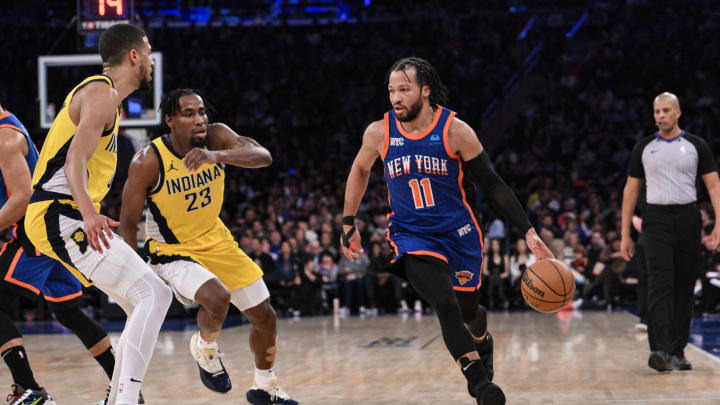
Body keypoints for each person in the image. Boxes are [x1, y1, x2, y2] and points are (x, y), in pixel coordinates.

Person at [340, 57, 553, 405]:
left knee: (469, 311)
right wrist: (348, 222)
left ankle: (482, 340)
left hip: (459, 234)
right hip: (410, 234)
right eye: (391, 90)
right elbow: (360, 169)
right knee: (445, 303)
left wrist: (527, 230)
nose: (396, 97)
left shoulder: (456, 130)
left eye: (404, 90)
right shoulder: (379, 132)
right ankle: (479, 384)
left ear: (425, 91)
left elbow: (492, 183)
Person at [118, 88, 299, 405]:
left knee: (265, 316)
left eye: (201, 111)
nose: (200, 119)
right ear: (170, 120)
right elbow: (128, 223)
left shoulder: (216, 137)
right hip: (171, 250)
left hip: (216, 239)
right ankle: (205, 347)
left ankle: (264, 387)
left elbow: (263, 156)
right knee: (218, 298)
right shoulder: (149, 160)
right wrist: (132, 277)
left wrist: (218, 156)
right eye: (189, 113)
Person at [23, 24, 172, 405]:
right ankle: (123, 400)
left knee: (141, 301)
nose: (152, 59)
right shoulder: (100, 93)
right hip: (58, 213)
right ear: (134, 55)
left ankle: (117, 398)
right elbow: (74, 161)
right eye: (149, 50)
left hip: (61, 214)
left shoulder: (109, 100)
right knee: (155, 293)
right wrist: (90, 215)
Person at [0, 105, 146, 405]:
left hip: (35, 231)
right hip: (51, 228)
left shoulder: (6, 138)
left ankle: (29, 390)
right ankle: (127, 390)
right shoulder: (8, 127)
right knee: (68, 312)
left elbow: (22, 197)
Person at [621, 92, 720, 372]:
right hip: (656, 219)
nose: (660, 116)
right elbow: (630, 191)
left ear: (678, 113)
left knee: (684, 286)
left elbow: (714, 186)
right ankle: (659, 350)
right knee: (660, 283)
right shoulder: (643, 147)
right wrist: (625, 233)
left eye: (666, 110)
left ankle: (678, 350)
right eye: (656, 111)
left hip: (688, 218)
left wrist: (719, 224)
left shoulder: (696, 145)